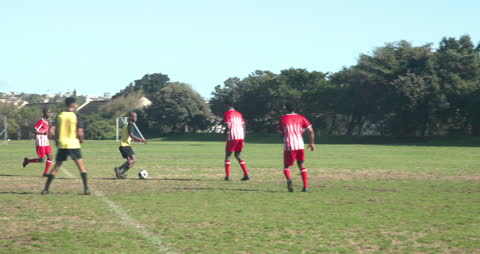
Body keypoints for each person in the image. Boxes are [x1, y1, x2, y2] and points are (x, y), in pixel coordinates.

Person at [41, 97, 90, 195]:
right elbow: (80, 132)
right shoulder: (76, 116)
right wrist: (81, 140)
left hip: (62, 144)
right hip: (74, 144)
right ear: (72, 104)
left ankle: (46, 189)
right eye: (75, 104)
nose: (76, 105)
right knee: (81, 167)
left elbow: (51, 131)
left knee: (56, 167)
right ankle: (86, 189)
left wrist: (56, 140)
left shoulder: (60, 116)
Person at [277, 102, 315, 192]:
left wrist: (284, 134)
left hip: (289, 145)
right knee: (301, 164)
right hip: (300, 145)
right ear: (295, 108)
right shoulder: (301, 118)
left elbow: (280, 132)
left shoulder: (283, 119)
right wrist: (312, 143)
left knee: (286, 166)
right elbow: (311, 130)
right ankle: (305, 186)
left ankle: (289, 179)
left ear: (286, 108)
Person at [114, 112, 148, 179]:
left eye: (136, 117)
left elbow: (127, 136)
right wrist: (142, 140)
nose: (136, 118)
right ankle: (119, 169)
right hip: (125, 146)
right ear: (130, 117)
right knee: (134, 159)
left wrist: (133, 140)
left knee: (131, 162)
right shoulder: (130, 124)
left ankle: (120, 174)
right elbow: (131, 135)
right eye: (134, 117)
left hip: (123, 145)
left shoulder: (127, 124)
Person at [223, 98, 250, 181]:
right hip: (241, 136)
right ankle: (246, 174)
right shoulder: (239, 113)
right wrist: (244, 138)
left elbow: (228, 126)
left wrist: (224, 133)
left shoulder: (227, 113)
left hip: (233, 136)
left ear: (227, 105)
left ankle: (227, 176)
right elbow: (244, 126)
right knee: (238, 155)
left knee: (228, 155)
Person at [23, 108, 53, 177]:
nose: (49, 114)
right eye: (48, 112)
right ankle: (27, 161)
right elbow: (34, 130)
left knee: (50, 156)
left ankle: (45, 173)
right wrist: (42, 133)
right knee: (42, 159)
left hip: (46, 142)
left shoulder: (47, 122)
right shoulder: (41, 121)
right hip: (40, 142)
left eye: (50, 113)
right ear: (44, 113)